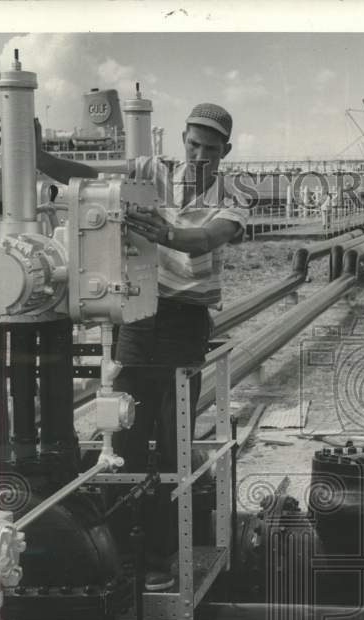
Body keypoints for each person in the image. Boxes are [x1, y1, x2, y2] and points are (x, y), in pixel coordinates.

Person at [35, 103, 248, 590]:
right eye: (192, 144)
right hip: (136, 310)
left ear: (225, 153)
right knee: (126, 435)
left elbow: (206, 238)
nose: (198, 156)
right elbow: (89, 176)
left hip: (184, 321)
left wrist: (169, 232)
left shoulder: (234, 195)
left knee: (173, 445)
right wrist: (41, 156)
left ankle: (161, 554)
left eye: (210, 150)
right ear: (181, 139)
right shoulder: (152, 171)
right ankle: (123, 555)